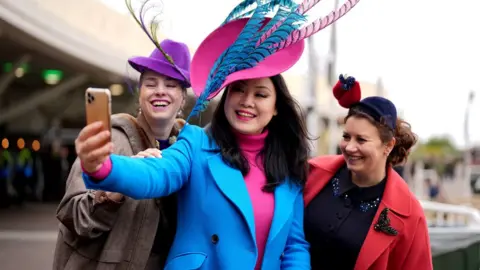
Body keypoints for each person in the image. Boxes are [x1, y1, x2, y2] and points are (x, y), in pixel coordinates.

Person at [72, 9, 320, 270]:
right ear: (225, 96)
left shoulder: (290, 163)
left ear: (277, 106)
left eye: (260, 94)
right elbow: (156, 173)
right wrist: (102, 166)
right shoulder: (196, 143)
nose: (247, 102)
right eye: (238, 89)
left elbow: (294, 246)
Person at [53, 38, 191, 270]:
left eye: (170, 84)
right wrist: (116, 187)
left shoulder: (188, 150)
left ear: (183, 98)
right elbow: (72, 215)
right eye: (151, 83)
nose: (160, 91)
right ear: (140, 93)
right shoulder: (111, 139)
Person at [304, 75, 433, 270]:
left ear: (388, 146)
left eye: (361, 140)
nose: (349, 147)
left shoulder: (411, 216)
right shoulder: (312, 172)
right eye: (346, 136)